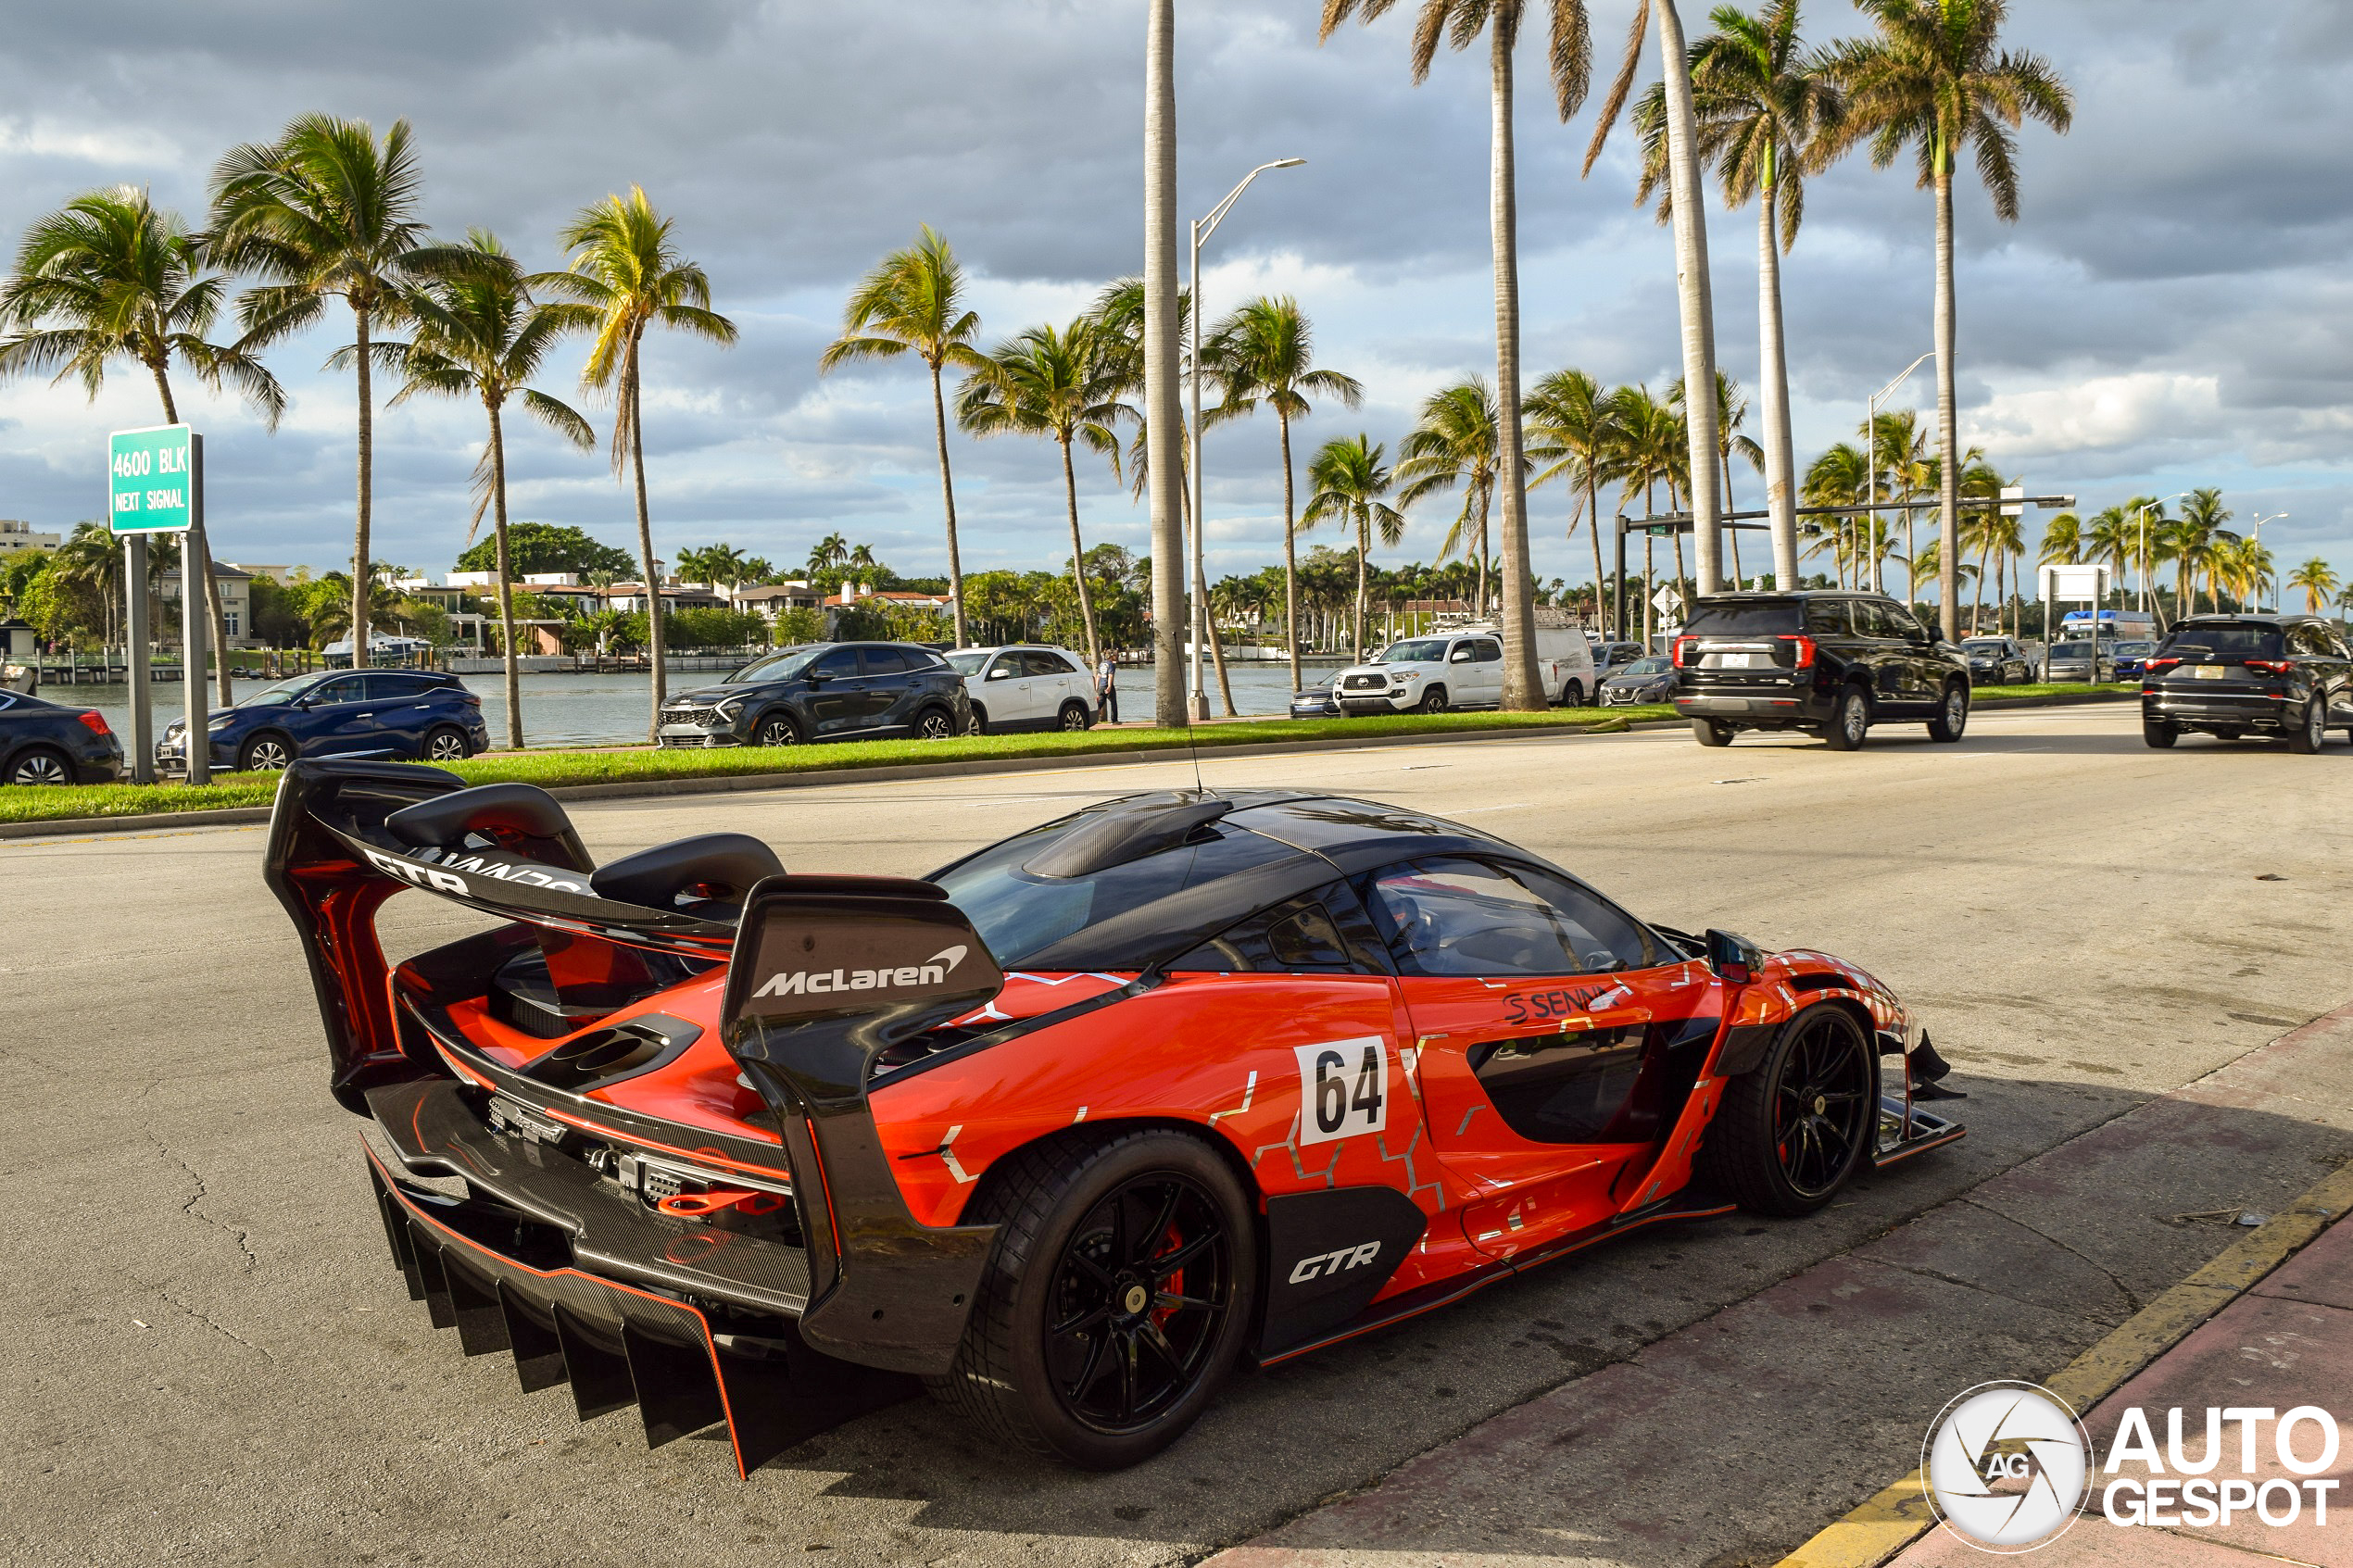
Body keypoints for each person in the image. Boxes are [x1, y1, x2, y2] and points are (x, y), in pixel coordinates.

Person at [1095, 655, 1119, 724]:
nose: (1116, 657)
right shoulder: (1111, 664)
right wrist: (1109, 686)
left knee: (1100, 703)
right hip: (1107, 686)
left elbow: (1098, 676)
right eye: (1115, 656)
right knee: (1113, 703)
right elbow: (1110, 676)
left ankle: (1091, 717)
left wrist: (1096, 687)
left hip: (1101, 686)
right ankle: (1114, 720)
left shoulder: (1101, 664)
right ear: (1111, 656)